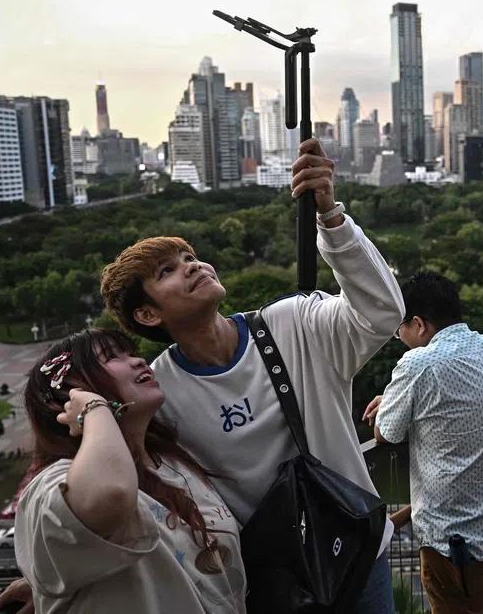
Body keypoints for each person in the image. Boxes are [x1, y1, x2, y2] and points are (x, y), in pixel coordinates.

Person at [95, 138, 404, 612]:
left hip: (358, 554)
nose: (193, 266)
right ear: (149, 315)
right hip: (274, 580)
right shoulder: (161, 393)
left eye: (189, 257)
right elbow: (133, 488)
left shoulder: (294, 323)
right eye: (169, 271)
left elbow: (382, 312)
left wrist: (332, 220)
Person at [15, 329, 245, 613]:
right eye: (112, 357)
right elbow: (110, 494)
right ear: (70, 393)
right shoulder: (54, 482)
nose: (138, 361)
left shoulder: (175, 461)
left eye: (132, 353)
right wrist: (94, 408)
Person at [363, 271, 483, 614]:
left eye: (399, 330)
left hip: (455, 543)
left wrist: (390, 400)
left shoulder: (420, 363)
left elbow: (385, 432)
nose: (400, 339)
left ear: (419, 324)